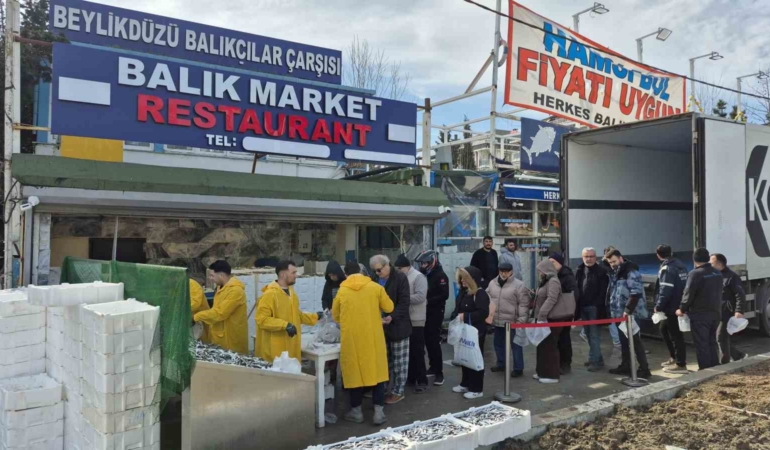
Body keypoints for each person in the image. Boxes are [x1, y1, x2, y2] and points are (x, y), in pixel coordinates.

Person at [333, 261, 394, 426]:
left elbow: (335, 316)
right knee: (378, 374)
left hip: (352, 340)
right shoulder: (375, 287)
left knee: (355, 374)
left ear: (346, 275)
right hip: (373, 338)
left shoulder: (342, 291)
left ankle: (356, 412)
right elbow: (389, 307)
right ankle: (379, 413)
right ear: (361, 271)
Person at [255, 260, 321, 361]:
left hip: (291, 346)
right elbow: (261, 320)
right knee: (278, 376)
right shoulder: (270, 295)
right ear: (282, 275)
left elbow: (296, 315)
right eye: (293, 272)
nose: (296, 275)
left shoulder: (292, 293)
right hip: (275, 351)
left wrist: (315, 316)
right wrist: (285, 325)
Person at [370, 255, 412, 405]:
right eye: (375, 271)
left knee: (400, 362)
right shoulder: (374, 279)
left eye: (379, 270)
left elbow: (404, 302)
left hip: (398, 326)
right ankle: (381, 389)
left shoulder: (400, 278)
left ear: (387, 265)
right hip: (380, 327)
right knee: (383, 361)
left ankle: (398, 391)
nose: (377, 273)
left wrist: (391, 317)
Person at [605, 249, 651, 378]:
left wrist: (628, 311)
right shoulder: (616, 272)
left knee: (636, 342)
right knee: (623, 342)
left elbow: (635, 293)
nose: (612, 264)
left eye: (614, 261)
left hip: (631, 314)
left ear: (621, 258)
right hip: (619, 313)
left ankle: (644, 368)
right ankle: (626, 366)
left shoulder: (631, 272)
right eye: (610, 262)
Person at [677, 248, 723, 370]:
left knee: (702, 344)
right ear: (708, 258)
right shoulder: (717, 273)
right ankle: (715, 366)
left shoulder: (695, 273)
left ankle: (705, 369)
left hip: (700, 315)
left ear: (694, 259)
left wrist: (681, 309)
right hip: (715, 313)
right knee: (711, 341)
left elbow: (688, 294)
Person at [451, 266, 490, 398]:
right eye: (461, 278)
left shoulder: (480, 293)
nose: (462, 281)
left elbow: (484, 312)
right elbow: (457, 308)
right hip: (464, 330)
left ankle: (476, 388)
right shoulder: (464, 292)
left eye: (465, 278)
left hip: (476, 331)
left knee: (475, 358)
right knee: (465, 356)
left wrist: (465, 316)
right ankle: (465, 383)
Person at [533, 260, 575, 384]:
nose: (539, 272)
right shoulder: (546, 281)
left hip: (552, 318)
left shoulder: (553, 281)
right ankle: (542, 372)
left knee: (549, 346)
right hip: (545, 317)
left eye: (540, 270)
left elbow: (552, 298)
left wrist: (542, 314)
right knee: (542, 345)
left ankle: (551, 375)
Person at [486, 262, 530, 377]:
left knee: (516, 345)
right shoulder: (492, 283)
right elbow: (487, 298)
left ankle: (518, 368)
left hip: (512, 321)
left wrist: (521, 320)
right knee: (498, 344)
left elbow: (524, 304)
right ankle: (501, 364)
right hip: (497, 320)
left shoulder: (519, 285)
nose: (503, 274)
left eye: (506, 272)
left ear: (511, 272)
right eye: (501, 271)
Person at [193, 261, 248, 353]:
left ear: (221, 275)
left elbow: (220, 313)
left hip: (231, 339)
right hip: (219, 336)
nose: (210, 279)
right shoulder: (220, 288)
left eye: (212, 276)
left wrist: (196, 317)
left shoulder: (236, 291)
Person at [395, 255, 430, 394]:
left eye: (400, 268)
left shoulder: (418, 277)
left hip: (416, 318)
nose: (398, 270)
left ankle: (422, 380)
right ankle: (411, 377)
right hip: (405, 318)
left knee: (417, 350)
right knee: (408, 350)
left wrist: (403, 299)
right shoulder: (400, 277)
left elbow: (421, 296)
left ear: (407, 267)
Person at [415, 250, 449, 386]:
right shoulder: (423, 275)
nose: (423, 266)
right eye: (422, 263)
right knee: (427, 341)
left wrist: (428, 301)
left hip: (436, 312)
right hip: (424, 312)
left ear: (431, 262)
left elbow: (444, 295)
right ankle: (433, 366)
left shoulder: (440, 276)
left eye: (425, 263)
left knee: (434, 342)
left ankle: (439, 372)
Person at [653, 245, 689, 374]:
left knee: (675, 335)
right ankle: (674, 357)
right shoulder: (681, 265)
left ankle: (681, 364)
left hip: (671, 306)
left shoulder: (667, 268)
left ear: (658, 255)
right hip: (678, 303)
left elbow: (665, 289)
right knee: (664, 329)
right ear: (672, 252)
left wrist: (658, 305)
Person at [575, 248, 609, 372]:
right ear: (582, 257)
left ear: (596, 257)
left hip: (595, 308)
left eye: (591, 256)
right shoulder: (579, 270)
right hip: (583, 307)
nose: (588, 259)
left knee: (594, 336)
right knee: (588, 335)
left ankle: (596, 362)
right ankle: (595, 358)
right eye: (586, 256)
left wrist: (596, 305)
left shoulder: (602, 271)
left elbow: (603, 291)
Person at [710, 253, 747, 364]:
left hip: (727, 311)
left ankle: (724, 363)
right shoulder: (713, 275)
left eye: (711, 263)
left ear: (719, 264)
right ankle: (738, 356)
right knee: (721, 337)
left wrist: (739, 310)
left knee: (720, 337)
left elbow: (740, 294)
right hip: (716, 311)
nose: (709, 265)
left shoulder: (732, 277)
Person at [549, 253, 577, 375]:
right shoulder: (551, 275)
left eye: (553, 262)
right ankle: (557, 363)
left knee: (564, 338)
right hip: (555, 312)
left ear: (560, 263)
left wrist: (573, 312)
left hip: (564, 313)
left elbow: (575, 293)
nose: (551, 265)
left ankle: (565, 364)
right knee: (556, 339)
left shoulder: (567, 275)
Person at [321, 260, 346, 385]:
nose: (332, 277)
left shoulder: (345, 283)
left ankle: (346, 378)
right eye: (329, 276)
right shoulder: (328, 284)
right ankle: (331, 376)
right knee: (332, 346)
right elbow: (324, 298)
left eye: (333, 275)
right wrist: (326, 308)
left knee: (344, 349)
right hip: (332, 318)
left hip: (344, 319)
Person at [601, 246, 622, 355]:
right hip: (609, 300)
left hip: (611, 299)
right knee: (612, 321)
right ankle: (618, 342)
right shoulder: (607, 268)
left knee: (612, 322)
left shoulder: (607, 268)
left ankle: (618, 342)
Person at [189, 278, 210, 343]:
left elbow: (195, 304)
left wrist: (181, 309)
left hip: (199, 321)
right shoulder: (174, 286)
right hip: (189, 320)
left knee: (202, 343)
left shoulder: (191, 284)